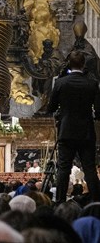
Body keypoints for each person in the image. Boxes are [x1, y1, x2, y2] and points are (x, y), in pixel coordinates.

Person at [47, 49, 100, 203]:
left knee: (63, 169)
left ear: (68, 63)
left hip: (66, 130)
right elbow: (98, 111)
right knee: (90, 169)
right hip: (86, 132)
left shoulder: (61, 82)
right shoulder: (92, 83)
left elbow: (50, 107)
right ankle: (96, 202)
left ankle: (60, 202)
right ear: (84, 64)